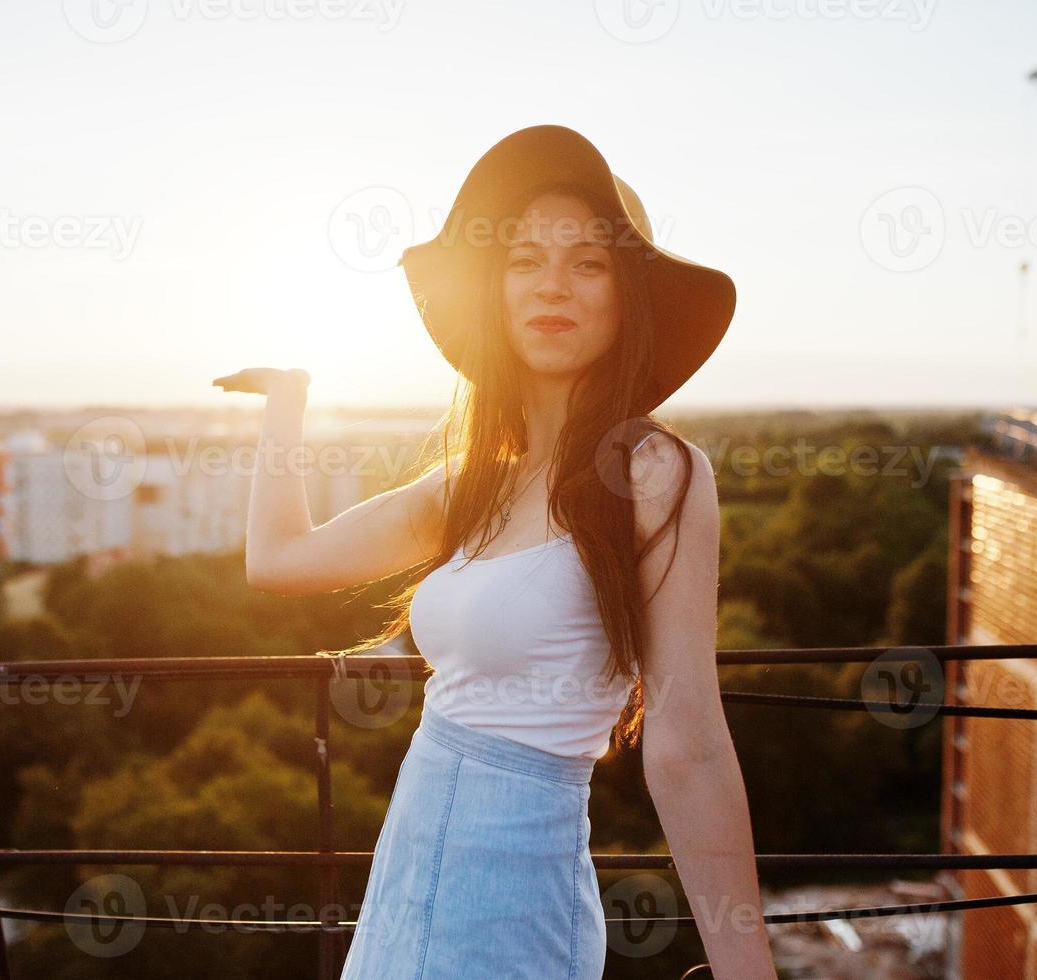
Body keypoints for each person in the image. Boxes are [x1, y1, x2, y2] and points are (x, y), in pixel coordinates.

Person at [213, 124, 776, 979]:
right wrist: (287, 403)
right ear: (495, 292)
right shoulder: (471, 484)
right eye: (522, 260)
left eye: (587, 261)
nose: (552, 284)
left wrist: (747, 972)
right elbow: (281, 560)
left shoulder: (653, 471)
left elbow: (686, 740)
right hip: (404, 870)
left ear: (628, 296)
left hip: (513, 895)